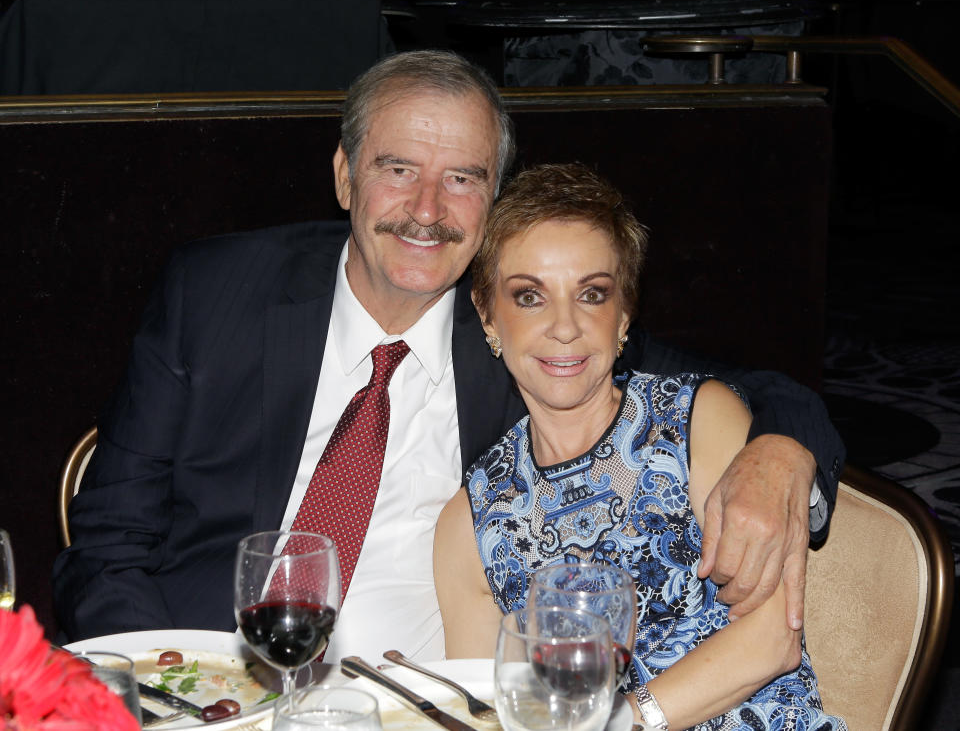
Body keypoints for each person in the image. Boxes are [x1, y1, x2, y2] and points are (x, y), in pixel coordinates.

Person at [52, 50, 843, 661]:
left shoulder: (522, 336)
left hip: (420, 701)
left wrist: (779, 454)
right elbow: (109, 546)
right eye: (398, 170)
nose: (426, 211)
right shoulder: (214, 294)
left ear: (493, 200)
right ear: (344, 176)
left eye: (462, 178)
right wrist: (165, 685)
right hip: (219, 678)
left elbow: (764, 390)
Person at [434, 163, 846, 730]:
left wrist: (624, 722)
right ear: (487, 315)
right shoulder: (471, 520)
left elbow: (773, 637)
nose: (564, 326)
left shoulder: (693, 421)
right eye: (529, 296)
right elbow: (486, 710)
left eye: (592, 294)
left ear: (624, 314)